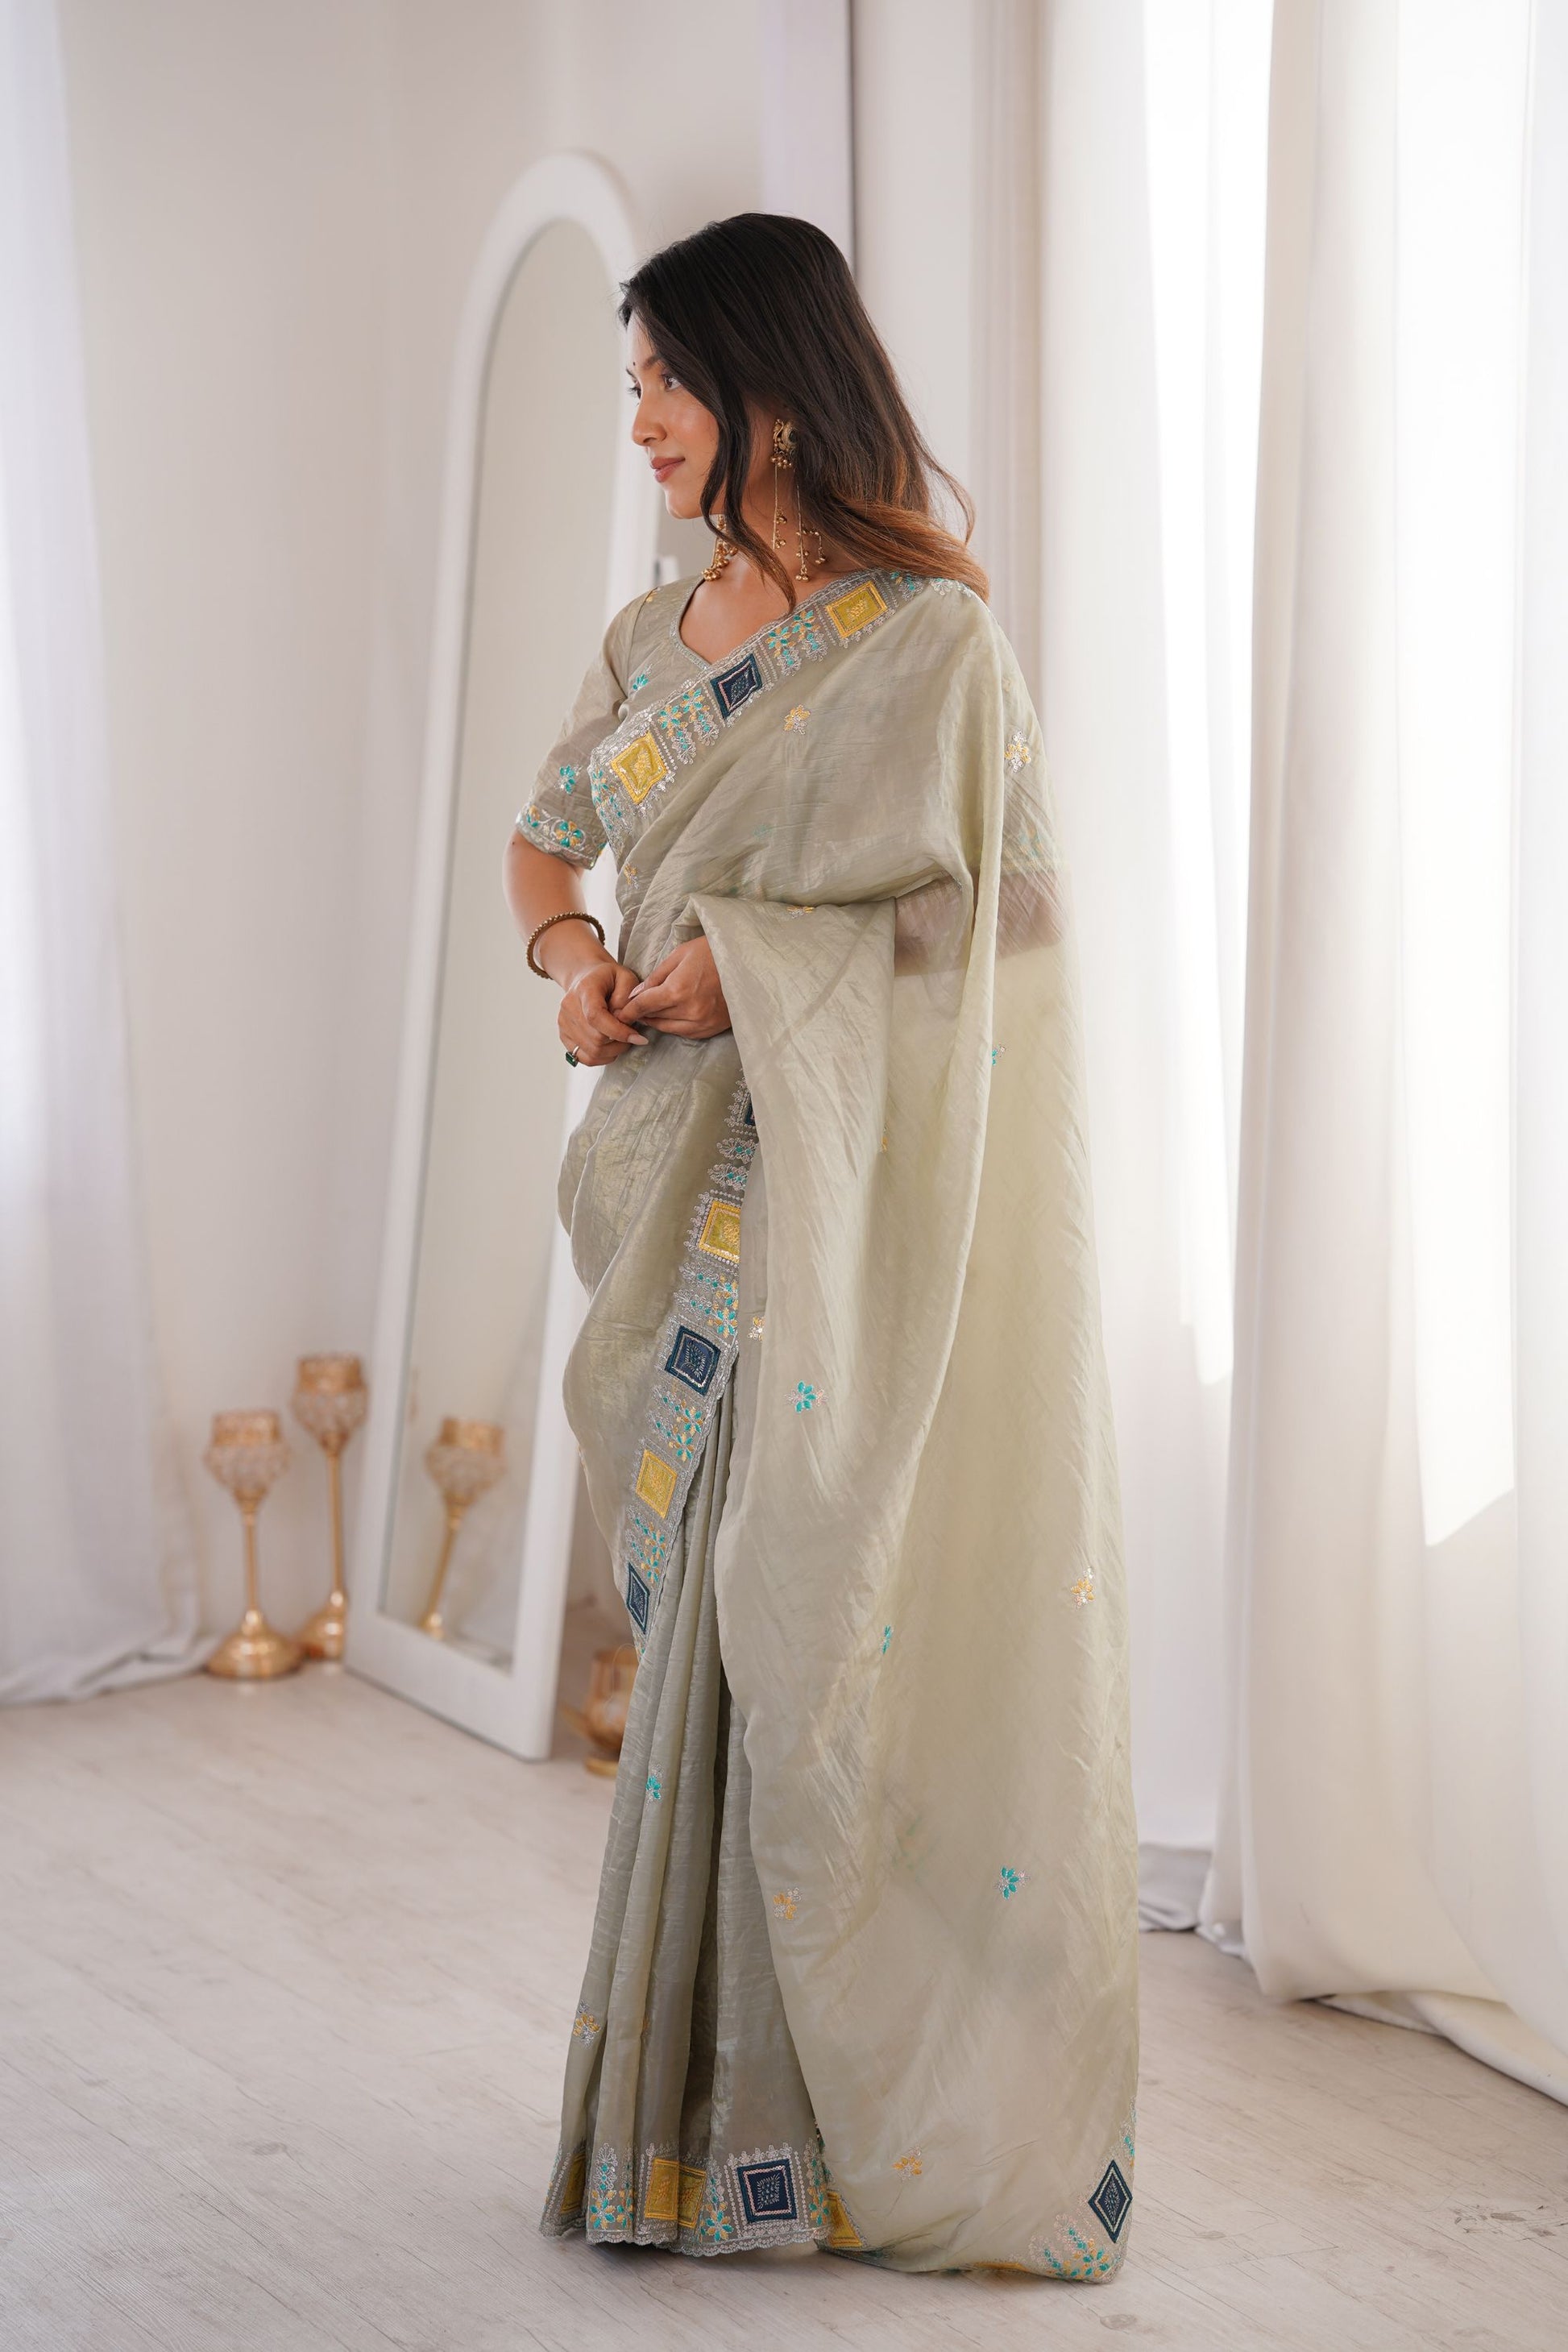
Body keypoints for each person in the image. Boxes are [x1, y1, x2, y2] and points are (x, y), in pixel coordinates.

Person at [504, 212, 1137, 2279]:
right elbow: (544, 835)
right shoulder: (648, 638)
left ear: (771, 389)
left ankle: (847, 2121)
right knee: (702, 1630)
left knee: (810, 1632)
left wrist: (754, 967)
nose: (642, 423)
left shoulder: (933, 645)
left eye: (666, 383)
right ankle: (684, 2133)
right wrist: (577, 961)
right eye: (629, 387)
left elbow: (1004, 937)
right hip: (668, 1184)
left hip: (837, 1210)